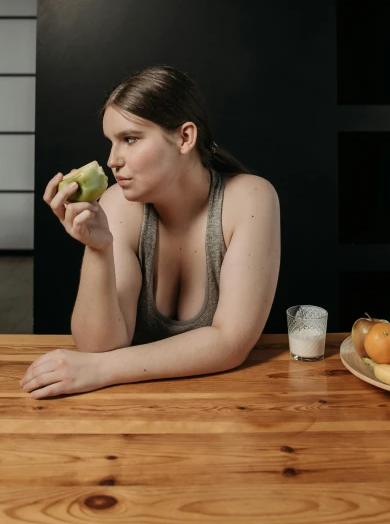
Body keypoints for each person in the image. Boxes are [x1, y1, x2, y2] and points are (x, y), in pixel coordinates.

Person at [19, 65, 281, 399]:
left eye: (129, 139)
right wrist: (98, 249)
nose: (113, 160)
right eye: (111, 142)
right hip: (132, 413)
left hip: (227, 407)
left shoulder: (250, 200)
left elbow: (230, 343)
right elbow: (98, 347)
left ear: (185, 137)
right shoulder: (117, 205)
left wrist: (104, 370)